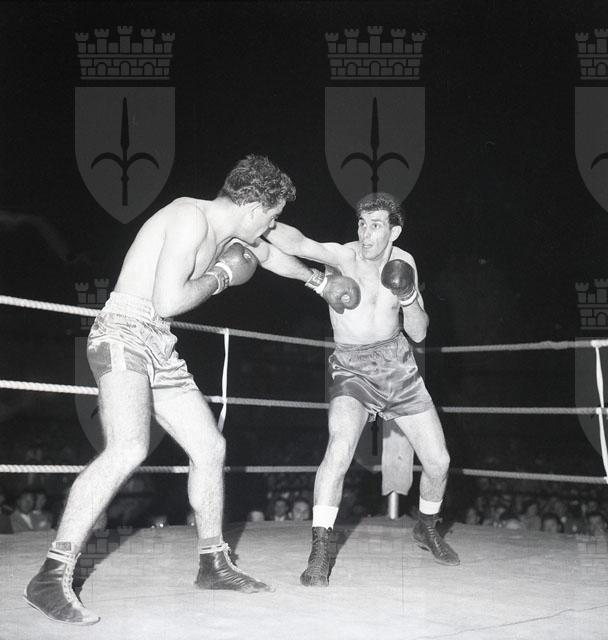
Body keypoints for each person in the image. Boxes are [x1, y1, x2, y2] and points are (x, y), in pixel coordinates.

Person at [24, 155, 360, 624]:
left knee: (209, 446)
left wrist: (318, 281)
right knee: (128, 447)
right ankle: (50, 576)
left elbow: (267, 256)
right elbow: (168, 300)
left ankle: (213, 563)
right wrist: (221, 276)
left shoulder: (230, 233)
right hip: (123, 331)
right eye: (271, 216)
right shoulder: (189, 218)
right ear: (252, 207)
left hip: (158, 342)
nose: (271, 226)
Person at [266, 192, 459, 587]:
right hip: (351, 366)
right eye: (361, 224)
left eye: (375, 226)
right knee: (339, 448)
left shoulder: (405, 262)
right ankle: (321, 549)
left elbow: (419, 332)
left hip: (396, 364)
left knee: (439, 461)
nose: (365, 234)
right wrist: (258, 221)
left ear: (394, 231)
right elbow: (299, 243)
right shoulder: (344, 256)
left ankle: (426, 527)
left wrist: (408, 296)